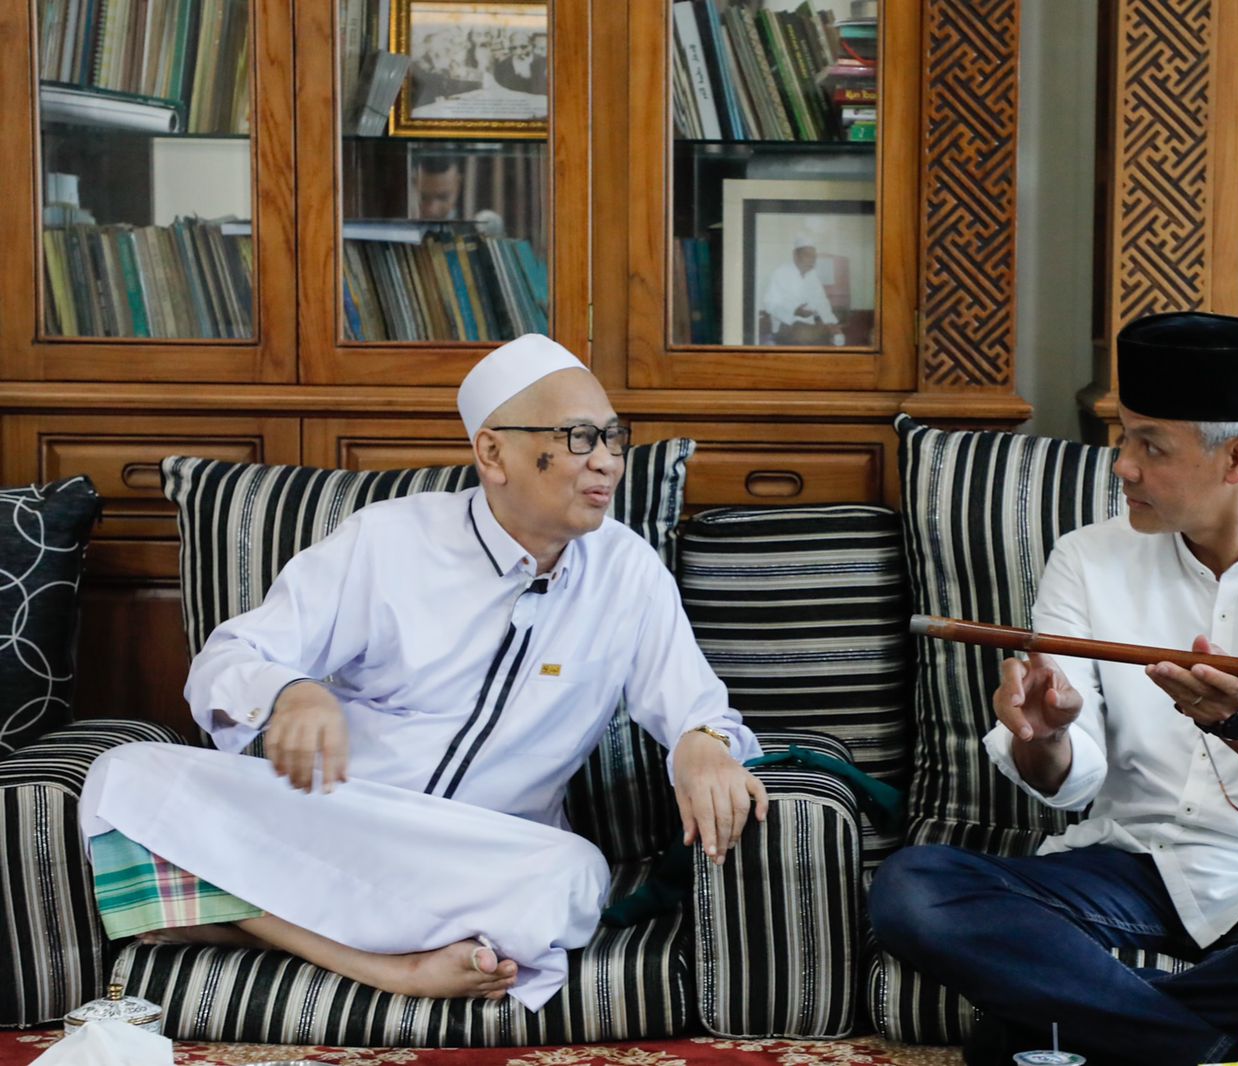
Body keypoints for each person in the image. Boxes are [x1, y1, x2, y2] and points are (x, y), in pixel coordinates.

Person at [78, 334, 768, 1011]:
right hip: (346, 824)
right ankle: (394, 969)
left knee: (573, 878)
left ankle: (248, 919)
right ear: (493, 452)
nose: (609, 463)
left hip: (485, 854)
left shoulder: (627, 570)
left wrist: (701, 743)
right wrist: (292, 691)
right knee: (120, 778)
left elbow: (701, 713)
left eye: (615, 437)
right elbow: (225, 662)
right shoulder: (389, 541)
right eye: (580, 438)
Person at [868, 312, 1238, 1066]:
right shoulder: (1085, 559)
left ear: (1237, 459)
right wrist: (1045, 737)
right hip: (1128, 863)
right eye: (1124, 438)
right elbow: (1068, 780)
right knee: (915, 887)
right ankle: (1219, 1053)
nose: (1122, 466)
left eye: (1150, 445)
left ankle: (1073, 1029)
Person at [759, 234, 845, 346]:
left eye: (814, 256)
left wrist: (832, 324)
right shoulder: (781, 273)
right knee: (805, 334)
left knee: (837, 336)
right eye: (808, 255)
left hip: (810, 326)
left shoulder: (812, 275)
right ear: (795, 255)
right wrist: (794, 311)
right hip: (785, 325)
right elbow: (769, 304)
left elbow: (822, 302)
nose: (812, 260)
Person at [492, 30, 546, 95]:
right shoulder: (501, 68)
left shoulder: (544, 63)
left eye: (523, 47)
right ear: (509, 48)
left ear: (531, 46)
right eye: (514, 48)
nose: (519, 52)